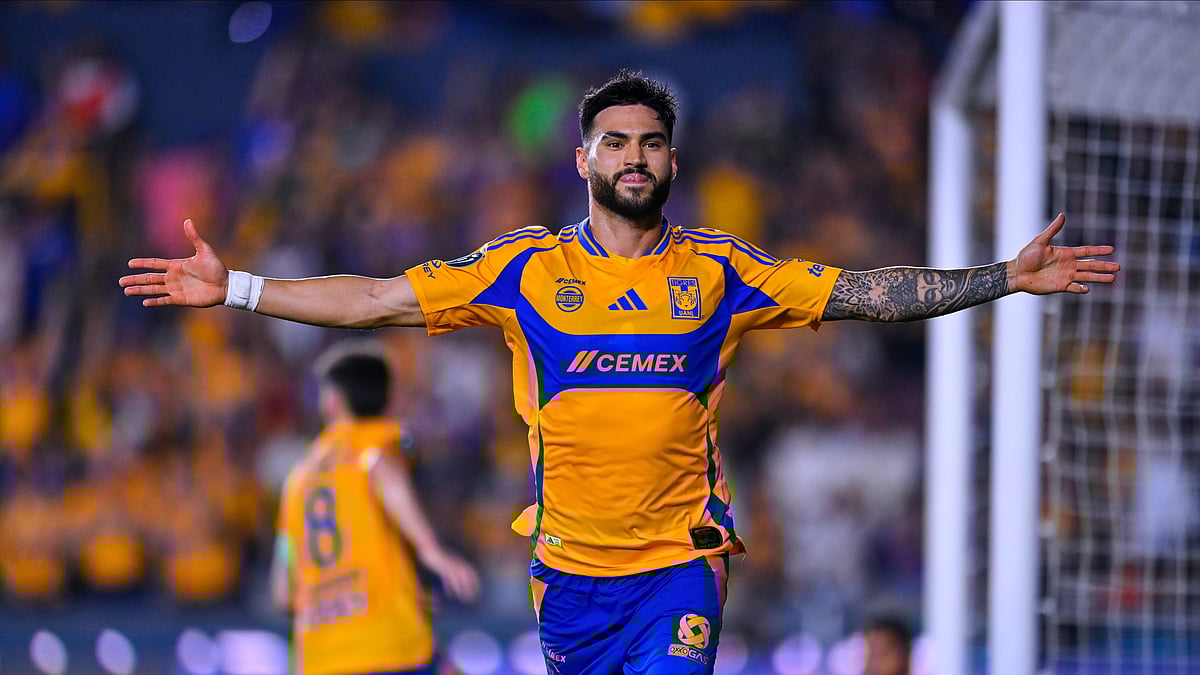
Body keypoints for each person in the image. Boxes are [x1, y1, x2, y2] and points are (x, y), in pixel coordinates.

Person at [121, 70, 1118, 674]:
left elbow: (863, 290)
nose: (634, 157)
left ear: (672, 164)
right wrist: (241, 289)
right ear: (583, 158)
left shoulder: (722, 272)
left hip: (679, 563)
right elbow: (375, 298)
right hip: (570, 578)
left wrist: (1000, 279)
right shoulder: (522, 272)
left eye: (651, 144)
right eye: (617, 142)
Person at [269, 340, 479, 675]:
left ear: (332, 401)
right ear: (388, 397)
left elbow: (283, 589)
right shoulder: (379, 439)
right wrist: (430, 550)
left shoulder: (297, 479)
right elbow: (380, 469)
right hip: (387, 644)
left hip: (320, 657)